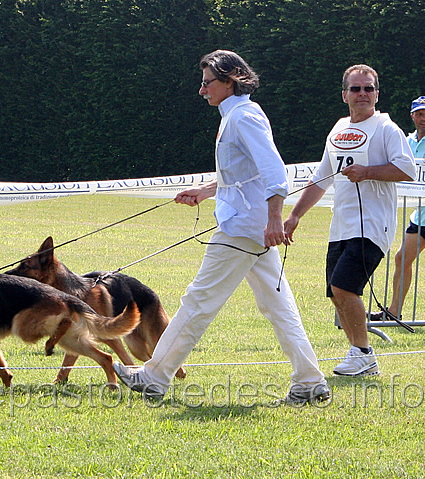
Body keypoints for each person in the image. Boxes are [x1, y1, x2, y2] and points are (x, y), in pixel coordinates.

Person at [113, 50, 330, 405]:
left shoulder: (244, 117)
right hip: (248, 225)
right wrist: (206, 190)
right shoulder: (238, 115)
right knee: (278, 306)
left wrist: (275, 218)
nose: (202, 90)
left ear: (229, 81)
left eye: (207, 82)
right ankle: (309, 381)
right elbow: (242, 172)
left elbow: (275, 171)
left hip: (244, 227)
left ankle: (154, 376)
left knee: (199, 300)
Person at [284, 65, 416, 377]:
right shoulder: (338, 129)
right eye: (355, 89)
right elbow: (320, 180)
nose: (362, 94)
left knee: (345, 287)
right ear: (344, 95)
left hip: (372, 225)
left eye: (368, 89)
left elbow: (407, 169)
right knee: (335, 292)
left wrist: (368, 171)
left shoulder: (387, 129)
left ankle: (363, 354)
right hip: (340, 225)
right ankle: (358, 354)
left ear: (377, 94)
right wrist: (294, 215)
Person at [368, 96, 425, 322]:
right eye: (419, 114)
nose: (423, 118)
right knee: (402, 259)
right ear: (412, 116)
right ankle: (393, 312)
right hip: (419, 217)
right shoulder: (408, 142)